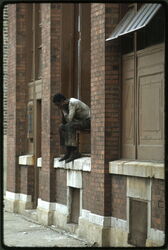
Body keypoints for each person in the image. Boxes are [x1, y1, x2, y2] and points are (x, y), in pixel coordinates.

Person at [53, 93, 90, 163]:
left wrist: (63, 110)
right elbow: (64, 122)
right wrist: (63, 111)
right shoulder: (65, 106)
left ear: (62, 101)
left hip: (88, 121)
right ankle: (68, 151)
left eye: (58, 105)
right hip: (79, 121)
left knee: (70, 126)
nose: (58, 107)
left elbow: (69, 120)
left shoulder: (72, 103)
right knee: (61, 127)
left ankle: (75, 151)